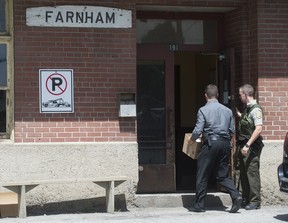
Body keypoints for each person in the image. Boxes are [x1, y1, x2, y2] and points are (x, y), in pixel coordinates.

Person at [189, 84, 242, 213]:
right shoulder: (228, 111)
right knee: (223, 175)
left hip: (210, 144)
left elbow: (198, 130)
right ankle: (236, 195)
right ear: (217, 95)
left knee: (202, 174)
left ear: (205, 96)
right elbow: (232, 131)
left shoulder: (203, 110)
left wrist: (191, 140)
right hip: (224, 144)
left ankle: (199, 205)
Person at [236, 84, 264, 210]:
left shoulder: (256, 110)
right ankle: (246, 198)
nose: (240, 97)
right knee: (244, 171)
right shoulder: (248, 109)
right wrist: (239, 115)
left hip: (251, 146)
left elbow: (258, 129)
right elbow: (248, 122)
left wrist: (247, 145)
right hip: (244, 145)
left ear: (246, 95)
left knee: (251, 172)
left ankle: (255, 201)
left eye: (240, 95)